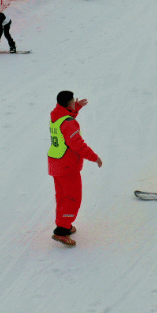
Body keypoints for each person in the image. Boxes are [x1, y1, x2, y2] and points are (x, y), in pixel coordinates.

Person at [48, 90, 103, 246]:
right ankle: (62, 231)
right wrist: (94, 157)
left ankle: (63, 224)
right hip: (67, 166)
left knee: (62, 197)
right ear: (68, 104)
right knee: (73, 198)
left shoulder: (56, 115)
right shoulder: (68, 122)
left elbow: (66, 121)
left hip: (55, 163)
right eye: (73, 101)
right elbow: (77, 144)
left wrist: (75, 109)